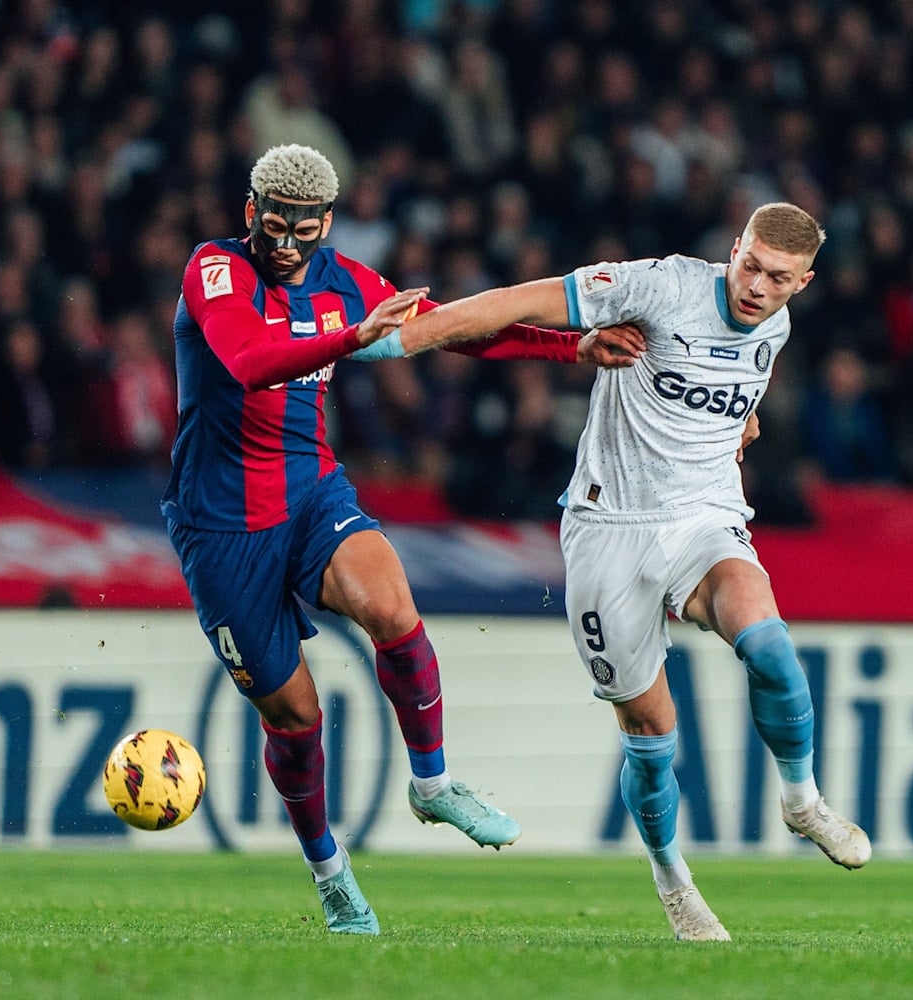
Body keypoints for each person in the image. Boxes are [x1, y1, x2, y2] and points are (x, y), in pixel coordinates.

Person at [161, 143, 642, 936]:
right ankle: (330, 872)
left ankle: (432, 783)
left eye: (303, 231)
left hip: (312, 492)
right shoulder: (216, 270)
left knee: (391, 603)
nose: (285, 244)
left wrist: (572, 348)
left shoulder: (348, 281)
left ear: (326, 225)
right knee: (296, 718)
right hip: (221, 527)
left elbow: (455, 331)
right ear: (251, 214)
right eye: (273, 226)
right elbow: (247, 362)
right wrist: (354, 341)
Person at [396, 202, 872, 941]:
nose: (755, 287)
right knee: (653, 736)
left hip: (703, 519)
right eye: (748, 264)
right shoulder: (660, 287)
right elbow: (519, 302)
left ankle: (803, 800)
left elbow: (740, 384)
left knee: (771, 646)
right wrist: (409, 335)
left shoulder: (773, 327)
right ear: (734, 248)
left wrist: (740, 422)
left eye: (777, 279)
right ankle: (671, 877)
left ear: (801, 283)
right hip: (606, 529)